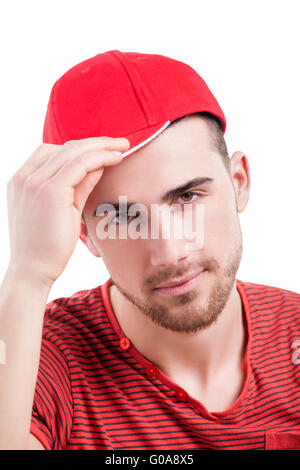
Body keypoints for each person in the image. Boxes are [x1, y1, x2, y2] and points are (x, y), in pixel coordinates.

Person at [0, 50, 299, 451]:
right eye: (122, 217)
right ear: (85, 234)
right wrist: (26, 273)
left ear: (239, 182)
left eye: (188, 196)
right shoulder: (40, 360)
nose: (169, 252)